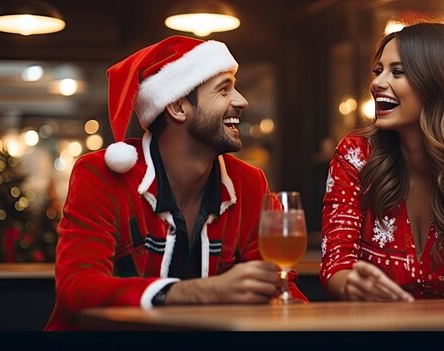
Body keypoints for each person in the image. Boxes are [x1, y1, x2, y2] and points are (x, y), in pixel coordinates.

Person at [45, 36, 307, 331]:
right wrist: (198, 293)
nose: (241, 101)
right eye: (224, 90)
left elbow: (279, 287)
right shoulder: (99, 175)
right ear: (178, 107)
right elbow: (77, 288)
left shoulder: (249, 182)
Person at [320, 22, 444, 301]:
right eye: (378, 71)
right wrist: (350, 284)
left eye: (398, 72)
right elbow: (336, 264)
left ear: (440, 83)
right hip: (372, 335)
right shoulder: (356, 155)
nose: (377, 83)